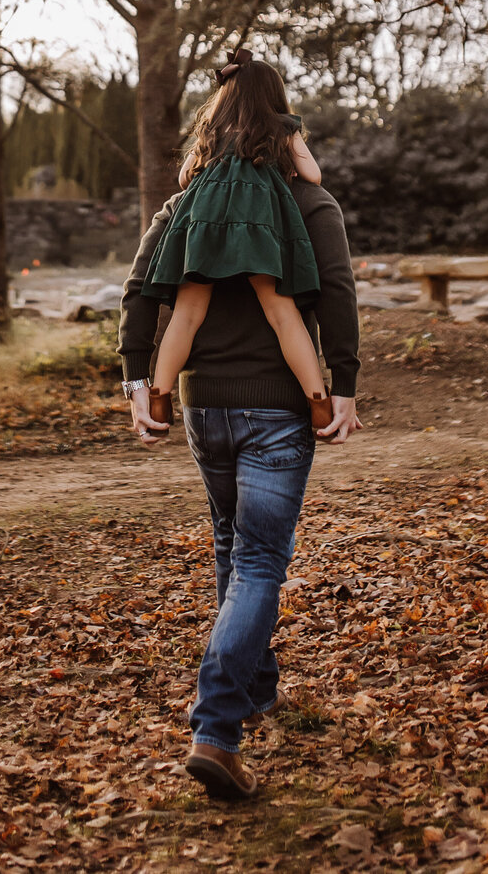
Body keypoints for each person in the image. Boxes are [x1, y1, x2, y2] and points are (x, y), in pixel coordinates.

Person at [118, 57, 361, 804]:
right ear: (284, 126)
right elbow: (335, 298)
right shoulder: (305, 203)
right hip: (276, 408)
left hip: (201, 405)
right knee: (259, 560)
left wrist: (140, 382)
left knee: (232, 545)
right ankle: (217, 731)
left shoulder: (189, 200)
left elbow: (143, 294)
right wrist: (339, 388)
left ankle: (254, 688)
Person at [141, 49, 333, 433]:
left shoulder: (212, 130)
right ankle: (318, 403)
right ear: (273, 95)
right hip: (256, 225)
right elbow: (313, 175)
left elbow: (184, 180)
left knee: (187, 313)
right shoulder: (282, 127)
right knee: (282, 314)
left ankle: (160, 401)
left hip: (205, 225)